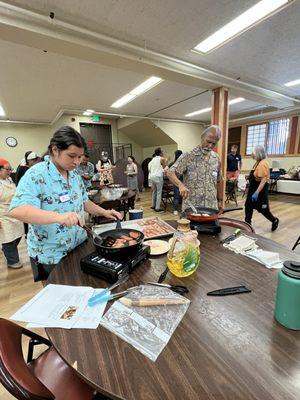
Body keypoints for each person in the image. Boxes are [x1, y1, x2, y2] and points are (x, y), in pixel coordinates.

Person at [9, 126, 121, 281]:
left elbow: (84, 201)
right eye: (72, 156)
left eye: (80, 157)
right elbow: (18, 210)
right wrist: (58, 217)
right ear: (55, 150)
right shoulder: (36, 174)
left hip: (79, 246)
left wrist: (104, 212)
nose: (77, 162)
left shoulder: (74, 174)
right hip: (52, 254)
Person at [167, 125, 223, 211]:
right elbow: (170, 173)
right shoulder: (189, 156)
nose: (210, 146)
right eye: (208, 141)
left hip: (211, 207)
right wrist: (180, 185)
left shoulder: (216, 158)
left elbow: (219, 180)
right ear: (202, 137)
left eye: (214, 144)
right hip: (192, 208)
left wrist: (220, 200)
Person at [245, 145, 279, 231]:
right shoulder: (257, 162)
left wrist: (256, 193)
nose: (252, 154)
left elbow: (263, 180)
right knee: (248, 206)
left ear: (257, 153)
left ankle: (274, 220)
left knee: (263, 209)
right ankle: (247, 225)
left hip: (259, 191)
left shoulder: (263, 164)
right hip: (253, 189)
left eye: (253, 152)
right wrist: (249, 177)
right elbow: (256, 176)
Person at [0, 158, 24, 269]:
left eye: (10, 169)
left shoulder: (9, 179)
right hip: (3, 215)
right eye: (7, 169)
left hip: (14, 213)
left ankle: (7, 249)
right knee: (8, 238)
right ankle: (12, 261)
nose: (10, 172)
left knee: (18, 236)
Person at [148, 148, 167, 212]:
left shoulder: (153, 159)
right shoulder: (162, 158)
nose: (163, 152)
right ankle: (157, 208)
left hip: (152, 176)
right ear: (160, 153)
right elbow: (165, 167)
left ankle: (153, 205)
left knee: (154, 191)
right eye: (162, 151)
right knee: (159, 192)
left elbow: (150, 168)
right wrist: (166, 161)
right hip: (158, 176)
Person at [169, 150, 183, 215]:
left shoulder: (172, 164)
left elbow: (169, 172)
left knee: (176, 196)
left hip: (175, 182)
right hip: (183, 182)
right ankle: (182, 209)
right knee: (183, 196)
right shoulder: (183, 163)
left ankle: (175, 210)